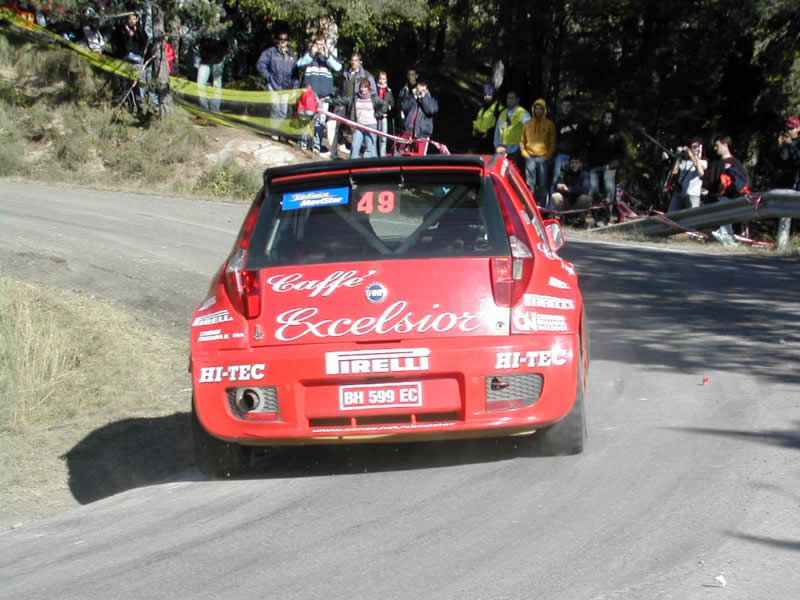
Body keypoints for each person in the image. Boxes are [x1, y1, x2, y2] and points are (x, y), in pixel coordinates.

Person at [297, 36, 342, 154]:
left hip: (324, 97)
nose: (319, 47)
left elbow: (338, 67)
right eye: (317, 44)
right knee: (306, 119)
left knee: (320, 122)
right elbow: (299, 64)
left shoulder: (329, 58)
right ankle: (304, 143)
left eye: (322, 44)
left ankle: (316, 145)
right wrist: (312, 53)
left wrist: (326, 56)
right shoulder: (309, 56)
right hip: (309, 96)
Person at [705, 134, 751, 245]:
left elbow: (743, 184)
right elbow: (708, 181)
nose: (715, 148)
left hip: (729, 200)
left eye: (717, 145)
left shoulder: (735, 164)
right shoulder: (716, 163)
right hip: (715, 200)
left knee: (726, 226)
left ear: (725, 144)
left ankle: (729, 239)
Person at [330, 52, 376, 157]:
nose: (353, 63)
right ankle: (333, 152)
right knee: (335, 125)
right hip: (343, 103)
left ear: (360, 62)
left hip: (356, 107)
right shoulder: (346, 73)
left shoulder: (366, 75)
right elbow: (340, 87)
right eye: (352, 60)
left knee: (355, 131)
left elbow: (373, 93)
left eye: (356, 60)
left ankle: (355, 156)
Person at [588, 109, 627, 226]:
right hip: (595, 166)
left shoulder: (618, 135)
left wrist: (611, 165)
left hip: (610, 167)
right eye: (605, 118)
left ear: (613, 120)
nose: (607, 120)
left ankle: (605, 217)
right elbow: (591, 149)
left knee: (608, 189)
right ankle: (596, 217)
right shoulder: (597, 133)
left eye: (609, 118)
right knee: (593, 190)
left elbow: (622, 155)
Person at [520, 98, 557, 207]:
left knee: (542, 185)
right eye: (536, 108)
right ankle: (529, 206)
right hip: (529, 156)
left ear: (544, 110)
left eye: (541, 109)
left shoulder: (550, 124)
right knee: (529, 185)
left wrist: (548, 156)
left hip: (543, 158)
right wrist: (524, 153)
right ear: (533, 109)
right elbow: (522, 140)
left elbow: (553, 142)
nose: (538, 111)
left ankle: (543, 207)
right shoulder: (527, 124)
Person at [256, 30, 299, 123]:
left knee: (283, 111)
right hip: (273, 85)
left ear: (288, 41)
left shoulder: (292, 55)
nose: (283, 41)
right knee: (275, 107)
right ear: (278, 40)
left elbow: (296, 73)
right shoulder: (271, 52)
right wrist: (268, 76)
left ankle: (279, 132)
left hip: (286, 88)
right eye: (281, 39)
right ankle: (274, 132)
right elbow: (261, 64)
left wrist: (295, 87)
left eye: (285, 39)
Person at [340, 78, 387, 158]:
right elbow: (343, 100)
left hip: (371, 125)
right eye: (361, 87)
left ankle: (368, 167)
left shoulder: (373, 97)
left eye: (365, 87)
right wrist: (329, 101)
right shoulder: (355, 97)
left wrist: (377, 114)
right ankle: (352, 166)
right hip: (359, 126)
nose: (363, 89)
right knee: (355, 146)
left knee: (369, 149)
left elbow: (384, 105)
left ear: (368, 88)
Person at [551, 97, 585, 195]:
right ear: (561, 107)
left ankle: (575, 206)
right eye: (564, 106)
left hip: (575, 157)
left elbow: (582, 139)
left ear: (572, 107)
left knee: (575, 181)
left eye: (568, 106)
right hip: (561, 155)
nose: (566, 108)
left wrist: (580, 156)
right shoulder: (558, 122)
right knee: (556, 180)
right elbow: (555, 139)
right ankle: (552, 207)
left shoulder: (579, 122)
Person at [493, 91, 530, 173]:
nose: (509, 100)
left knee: (514, 175)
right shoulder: (503, 113)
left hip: (516, 151)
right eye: (508, 98)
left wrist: (522, 148)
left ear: (517, 100)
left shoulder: (523, 113)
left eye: (512, 98)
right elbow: (497, 131)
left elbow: (528, 131)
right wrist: (496, 146)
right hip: (502, 151)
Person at [551, 156, 592, 227]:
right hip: (566, 202)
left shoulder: (584, 174)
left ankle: (580, 220)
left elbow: (585, 189)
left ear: (580, 164)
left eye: (577, 163)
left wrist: (568, 189)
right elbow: (556, 187)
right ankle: (562, 217)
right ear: (569, 164)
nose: (574, 165)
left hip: (578, 202)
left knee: (586, 198)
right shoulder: (565, 173)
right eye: (572, 163)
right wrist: (559, 184)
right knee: (556, 196)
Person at [401, 78, 439, 155]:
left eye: (423, 90)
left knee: (420, 158)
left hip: (422, 135)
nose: (420, 92)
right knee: (406, 156)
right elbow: (404, 107)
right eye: (418, 89)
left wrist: (423, 98)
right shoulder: (411, 98)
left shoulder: (431, 100)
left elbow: (430, 110)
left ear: (426, 90)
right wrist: (413, 97)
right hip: (409, 133)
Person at [667, 139, 707, 211]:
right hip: (679, 193)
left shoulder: (703, 161)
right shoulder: (684, 161)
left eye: (697, 146)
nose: (696, 149)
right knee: (671, 215)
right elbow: (674, 171)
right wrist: (679, 156)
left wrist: (691, 155)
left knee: (692, 218)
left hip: (693, 195)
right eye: (693, 147)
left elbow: (700, 172)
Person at [472, 84, 501, 154]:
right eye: (485, 95)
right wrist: (475, 129)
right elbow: (478, 120)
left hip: (490, 141)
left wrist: (489, 132)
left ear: (493, 95)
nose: (486, 97)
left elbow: (500, 125)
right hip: (479, 139)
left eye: (489, 95)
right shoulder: (482, 107)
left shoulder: (498, 108)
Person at [375, 71, 395, 157]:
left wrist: (389, 107)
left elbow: (392, 103)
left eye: (384, 79)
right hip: (375, 116)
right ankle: (374, 155)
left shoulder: (388, 91)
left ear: (386, 80)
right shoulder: (375, 89)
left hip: (384, 117)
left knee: (383, 137)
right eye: (380, 78)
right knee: (375, 136)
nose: (382, 80)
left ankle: (382, 155)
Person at [778, 116, 800, 191]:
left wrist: (791, 144)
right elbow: (783, 160)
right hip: (786, 181)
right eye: (787, 128)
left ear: (798, 128)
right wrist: (781, 146)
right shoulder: (786, 141)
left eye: (791, 129)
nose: (789, 131)